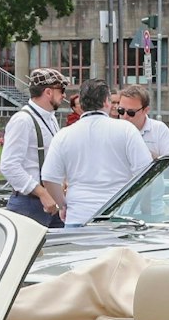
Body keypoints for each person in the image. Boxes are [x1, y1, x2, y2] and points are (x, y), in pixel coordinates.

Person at [40, 79, 152, 227]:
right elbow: (145, 172)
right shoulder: (126, 130)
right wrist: (144, 208)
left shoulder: (64, 135)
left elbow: (48, 177)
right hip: (118, 215)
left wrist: (63, 205)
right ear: (107, 101)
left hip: (79, 214)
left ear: (82, 103)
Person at [0, 69, 67, 227]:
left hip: (51, 202)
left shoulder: (50, 118)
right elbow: (9, 166)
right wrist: (42, 193)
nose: (64, 95)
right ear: (48, 92)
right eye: (61, 90)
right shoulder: (23, 120)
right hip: (29, 204)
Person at [116, 85, 169, 159]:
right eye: (121, 111)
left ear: (146, 110)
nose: (125, 116)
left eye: (131, 112)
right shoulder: (112, 130)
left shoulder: (159, 130)